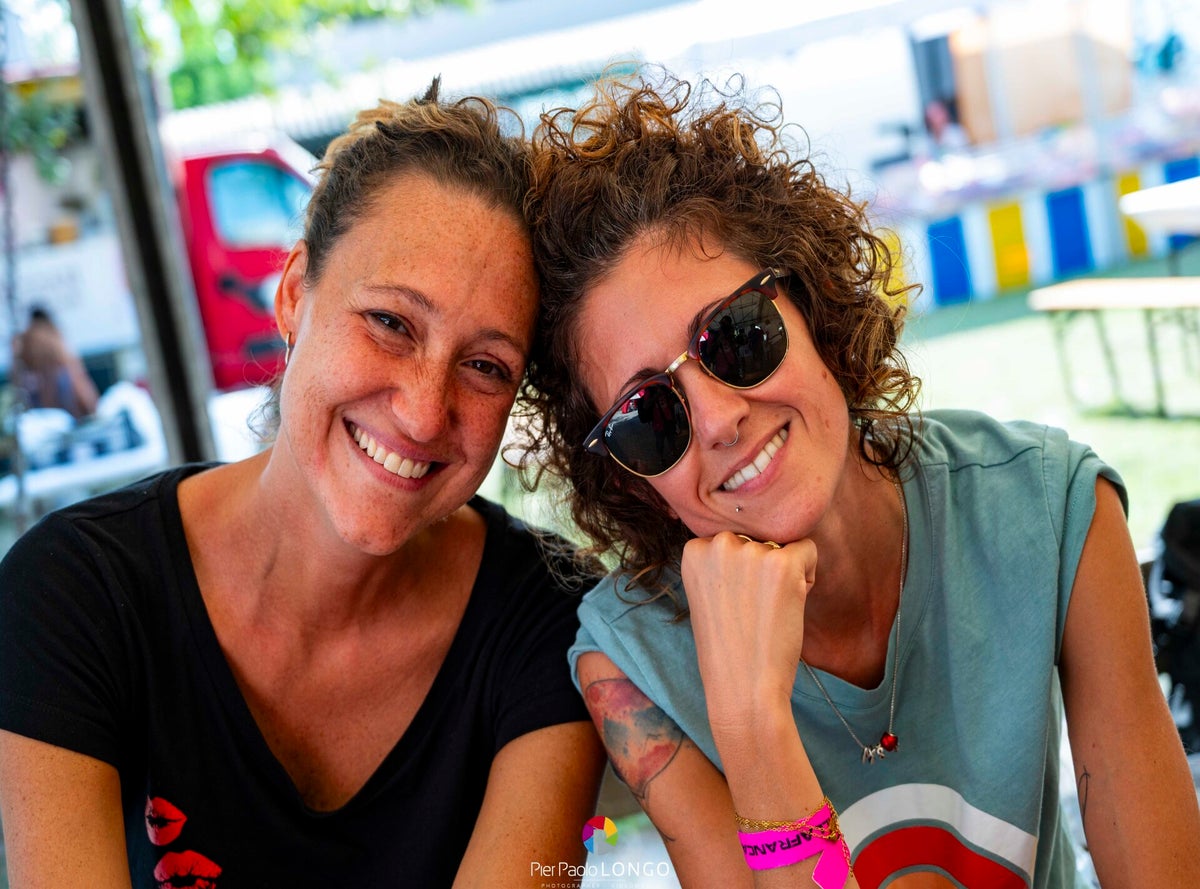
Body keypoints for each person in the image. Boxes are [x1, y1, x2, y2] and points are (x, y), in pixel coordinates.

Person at [518, 70, 1200, 888]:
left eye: (735, 336)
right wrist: (751, 723)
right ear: (630, 478)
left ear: (810, 304)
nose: (719, 418)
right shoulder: (633, 665)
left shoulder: (1051, 509)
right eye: (647, 415)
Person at [0, 80, 605, 888]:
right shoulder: (74, 593)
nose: (424, 412)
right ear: (293, 295)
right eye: (390, 322)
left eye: (486, 365)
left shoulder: (551, 624)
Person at [11, 305, 101, 419]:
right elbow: (77, 376)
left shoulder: (28, 339)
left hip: (50, 392)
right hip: (58, 388)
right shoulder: (52, 335)